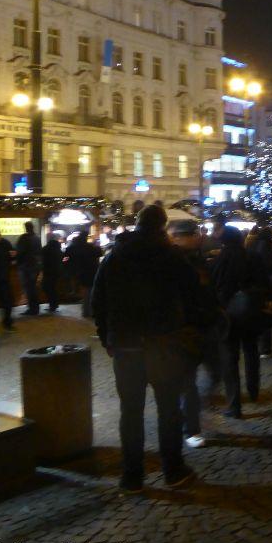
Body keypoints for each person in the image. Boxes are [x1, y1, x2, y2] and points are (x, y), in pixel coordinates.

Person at [91, 205, 202, 493]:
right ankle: (173, 470)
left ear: (136, 225)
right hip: (163, 345)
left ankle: (132, 476)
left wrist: (108, 338)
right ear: (162, 226)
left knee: (131, 412)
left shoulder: (114, 257)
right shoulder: (172, 257)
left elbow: (97, 302)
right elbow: (195, 299)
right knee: (168, 410)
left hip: (126, 347)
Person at [168, 219, 224, 448]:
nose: (199, 236)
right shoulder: (173, 262)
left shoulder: (197, 257)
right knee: (188, 381)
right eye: (193, 233)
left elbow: (206, 289)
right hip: (186, 329)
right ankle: (190, 428)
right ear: (178, 237)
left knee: (215, 371)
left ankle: (192, 411)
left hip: (205, 324)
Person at [212, 225, 267, 418]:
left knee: (230, 359)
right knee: (251, 351)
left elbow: (217, 286)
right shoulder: (252, 257)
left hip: (229, 315)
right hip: (250, 311)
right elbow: (263, 283)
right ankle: (253, 390)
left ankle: (234, 404)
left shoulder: (221, 259)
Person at [248, 226, 272, 357]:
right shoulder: (265, 246)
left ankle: (264, 345)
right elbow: (269, 264)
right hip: (267, 282)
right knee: (268, 311)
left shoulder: (256, 244)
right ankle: (265, 347)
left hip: (260, 282)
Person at [67, 232, 103, 318]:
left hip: (80, 271)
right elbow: (99, 253)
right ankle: (89, 311)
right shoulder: (89, 247)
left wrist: (69, 267)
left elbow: (66, 258)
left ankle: (86, 310)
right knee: (90, 291)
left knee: (86, 291)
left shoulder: (72, 247)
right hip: (91, 271)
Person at [15, 221, 42, 316]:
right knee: (33, 288)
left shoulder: (24, 238)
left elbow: (19, 252)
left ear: (26, 228)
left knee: (28, 288)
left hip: (26, 266)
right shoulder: (37, 238)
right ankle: (35, 308)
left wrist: (17, 260)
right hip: (35, 266)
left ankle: (32, 308)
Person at [41, 232, 64, 313]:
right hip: (57, 271)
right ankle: (54, 305)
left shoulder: (46, 248)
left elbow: (43, 260)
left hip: (48, 272)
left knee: (47, 288)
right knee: (52, 288)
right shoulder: (58, 247)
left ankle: (53, 305)